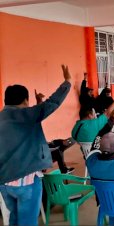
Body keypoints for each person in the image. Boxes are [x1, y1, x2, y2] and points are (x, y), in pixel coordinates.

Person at [0, 65, 71, 225]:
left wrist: (38, 104)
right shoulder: (27, 114)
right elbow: (52, 103)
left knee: (14, 219)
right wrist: (67, 81)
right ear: (25, 100)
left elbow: (32, 118)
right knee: (27, 221)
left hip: (4, 183)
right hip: (26, 181)